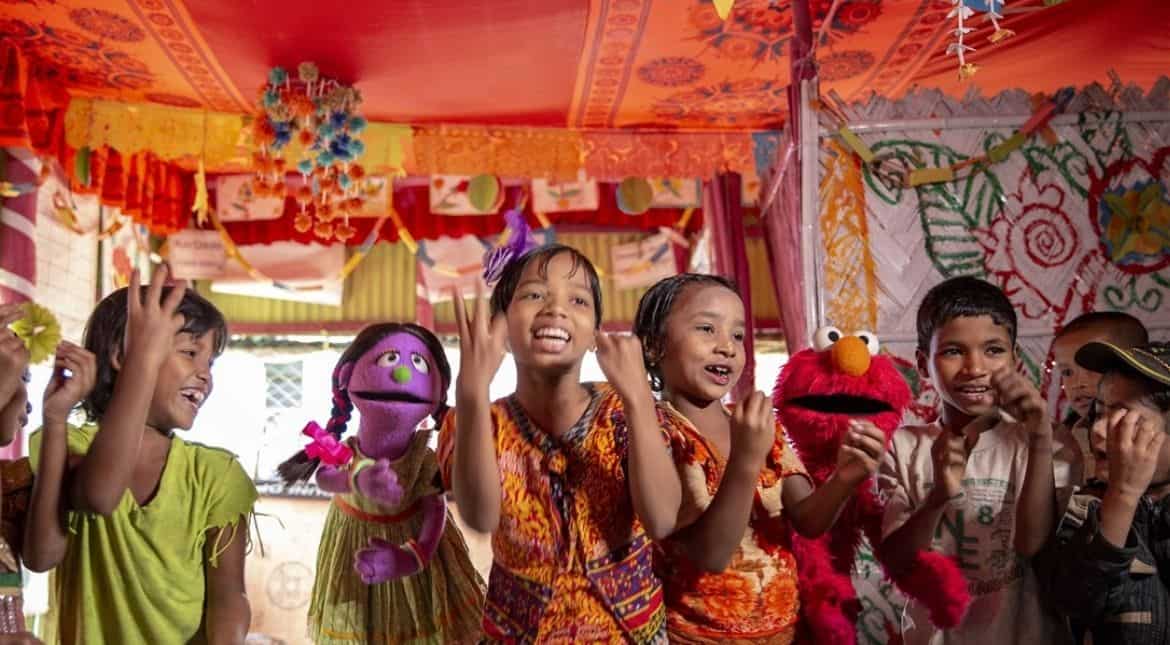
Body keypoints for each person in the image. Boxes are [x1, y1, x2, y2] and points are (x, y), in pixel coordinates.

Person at [438, 244, 681, 643]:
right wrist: (471, 393)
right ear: (500, 329)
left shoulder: (622, 408)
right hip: (517, 633)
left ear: (592, 335)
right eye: (534, 294)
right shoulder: (475, 417)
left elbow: (662, 520)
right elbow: (481, 517)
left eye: (579, 300)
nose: (556, 309)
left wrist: (638, 397)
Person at [633, 274, 886, 644]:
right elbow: (711, 555)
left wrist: (845, 478)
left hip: (786, 632)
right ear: (654, 346)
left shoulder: (754, 421)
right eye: (707, 328)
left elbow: (807, 519)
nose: (727, 347)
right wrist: (747, 458)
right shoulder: (656, 433)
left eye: (737, 335)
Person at [24, 267, 257, 644]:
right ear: (122, 356)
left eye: (210, 363)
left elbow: (228, 596)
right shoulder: (67, 443)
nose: (205, 375)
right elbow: (49, 548)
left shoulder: (217, 473)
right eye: (190, 353)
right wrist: (55, 418)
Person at [877, 276, 1073, 644]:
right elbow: (898, 561)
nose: (974, 367)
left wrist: (1040, 439)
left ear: (1015, 361)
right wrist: (938, 496)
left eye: (993, 350)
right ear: (923, 364)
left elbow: (1032, 545)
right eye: (953, 351)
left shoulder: (1049, 440)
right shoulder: (903, 448)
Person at [277, 323, 484, 644]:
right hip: (352, 548)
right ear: (346, 377)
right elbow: (324, 476)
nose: (403, 375)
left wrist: (414, 556)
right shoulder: (346, 449)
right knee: (357, 622)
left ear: (440, 391)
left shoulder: (424, 457)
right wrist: (357, 480)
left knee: (419, 626)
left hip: (413, 555)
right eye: (389, 359)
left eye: (418, 364)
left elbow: (435, 506)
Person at [1037, 341, 1170, 644]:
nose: (1097, 430)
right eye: (1098, 413)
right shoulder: (1084, 510)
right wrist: (1123, 496)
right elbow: (1076, 600)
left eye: (1122, 417)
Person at [1050, 312, 1148, 483]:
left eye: (1092, 368)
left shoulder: (1152, 430)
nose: (1077, 383)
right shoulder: (1063, 439)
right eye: (1067, 372)